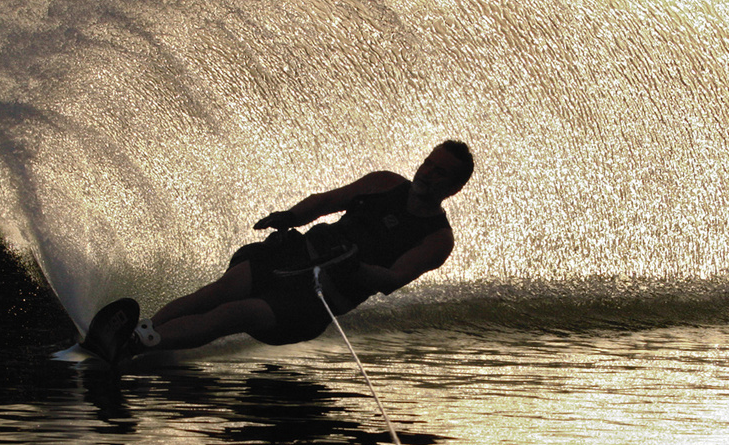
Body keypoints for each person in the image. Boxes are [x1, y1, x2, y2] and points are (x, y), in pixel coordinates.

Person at [86, 141, 473, 365]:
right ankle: (142, 332)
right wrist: (289, 216)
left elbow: (393, 278)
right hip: (292, 256)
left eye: (440, 172)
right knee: (216, 293)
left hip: (313, 302)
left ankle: (133, 348)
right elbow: (326, 202)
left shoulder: (437, 239)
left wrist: (358, 267)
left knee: (233, 313)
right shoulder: (384, 183)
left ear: (454, 189)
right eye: (428, 163)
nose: (426, 173)